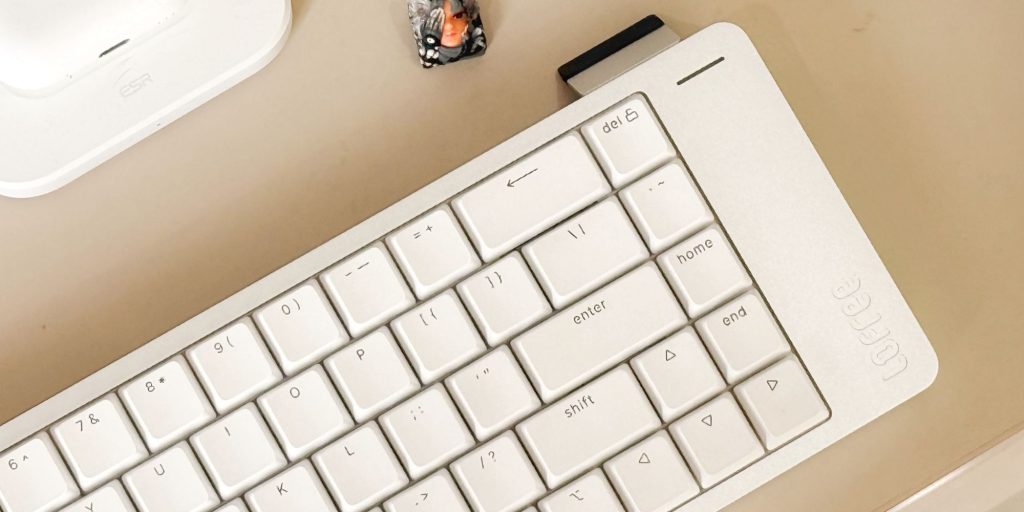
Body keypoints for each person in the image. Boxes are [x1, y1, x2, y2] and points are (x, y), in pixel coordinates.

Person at [408, 0, 487, 67]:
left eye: (458, 16)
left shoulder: (477, 42)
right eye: (438, 18)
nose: (449, 25)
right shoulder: (428, 53)